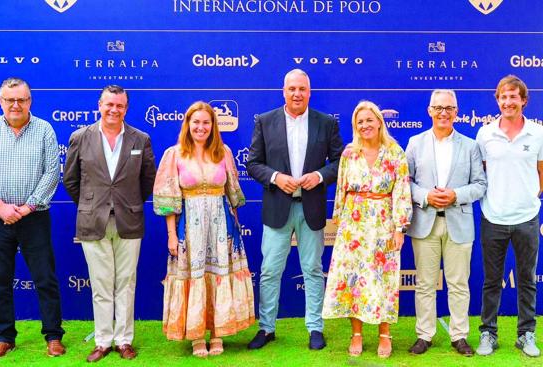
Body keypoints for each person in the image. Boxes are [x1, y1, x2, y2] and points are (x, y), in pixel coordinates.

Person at [246, 69, 344, 350]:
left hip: (311, 209)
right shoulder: (265, 122)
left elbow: (339, 162)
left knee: (313, 269)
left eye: (302, 89)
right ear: (283, 91)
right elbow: (253, 164)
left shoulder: (326, 123)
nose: (297, 94)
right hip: (278, 207)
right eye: (292, 89)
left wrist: (320, 176)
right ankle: (266, 328)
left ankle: (315, 327)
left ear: (309, 92)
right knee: (269, 271)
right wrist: (276, 178)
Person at [0, 77, 65, 359]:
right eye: (9, 100)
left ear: (29, 101)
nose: (15, 104)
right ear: (0, 102)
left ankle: (53, 336)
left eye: (21, 99)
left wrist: (27, 207)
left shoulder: (45, 130)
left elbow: (51, 173)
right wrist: (0, 207)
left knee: (45, 278)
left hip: (33, 216)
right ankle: (4, 337)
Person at [153, 101, 254, 357]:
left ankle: (217, 332)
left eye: (206, 122)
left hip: (222, 226)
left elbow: (233, 196)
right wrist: (172, 235)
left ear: (213, 126)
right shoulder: (174, 154)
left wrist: (235, 233)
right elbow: (168, 202)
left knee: (219, 273)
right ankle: (197, 336)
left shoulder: (224, 152)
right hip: (190, 227)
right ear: (187, 124)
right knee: (193, 275)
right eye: (195, 122)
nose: (201, 127)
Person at [63, 85, 156, 362]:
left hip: (129, 218)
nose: (114, 110)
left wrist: (128, 202)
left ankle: (124, 340)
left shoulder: (141, 139)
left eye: (120, 106)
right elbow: (71, 180)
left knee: (126, 282)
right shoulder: (81, 137)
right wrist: (92, 202)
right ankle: (103, 341)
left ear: (126, 108)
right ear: (99, 105)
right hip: (93, 221)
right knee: (101, 284)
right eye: (109, 105)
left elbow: (147, 180)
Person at [322, 101, 412, 358]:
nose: (365, 126)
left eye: (369, 120)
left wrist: (400, 228)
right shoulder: (350, 153)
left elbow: (402, 191)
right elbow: (341, 189)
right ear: (355, 126)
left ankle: (384, 334)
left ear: (379, 122)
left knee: (384, 278)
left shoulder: (395, 153)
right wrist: (339, 220)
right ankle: (357, 333)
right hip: (354, 225)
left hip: (384, 223)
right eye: (359, 122)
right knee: (353, 278)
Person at [405, 90, 486, 356]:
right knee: (425, 283)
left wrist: (456, 195)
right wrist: (426, 196)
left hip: (459, 223)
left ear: (457, 111)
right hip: (424, 222)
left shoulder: (471, 145)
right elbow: (406, 183)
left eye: (449, 108)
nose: (443, 113)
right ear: (429, 110)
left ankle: (459, 335)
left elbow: (480, 185)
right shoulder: (415, 143)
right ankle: (424, 335)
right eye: (438, 107)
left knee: (459, 284)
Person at [475, 75, 543, 358]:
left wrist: (531, 197)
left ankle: (525, 334)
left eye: (513, 97)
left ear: (523, 101)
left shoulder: (538, 133)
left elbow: (541, 172)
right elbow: (482, 171)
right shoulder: (485, 134)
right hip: (493, 217)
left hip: (527, 218)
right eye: (503, 97)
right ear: (497, 100)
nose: (507, 102)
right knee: (492, 281)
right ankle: (488, 334)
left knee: (527, 278)